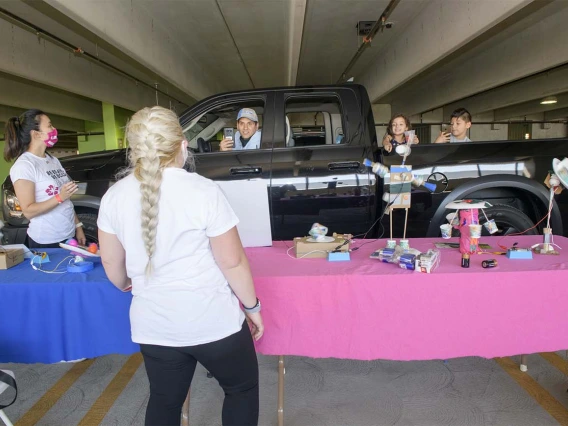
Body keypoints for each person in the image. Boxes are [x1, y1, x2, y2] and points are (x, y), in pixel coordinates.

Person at [97, 106, 264, 426]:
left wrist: (124, 284)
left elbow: (111, 263)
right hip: (213, 323)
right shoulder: (204, 190)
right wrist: (252, 306)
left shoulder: (114, 197)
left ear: (135, 150)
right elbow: (232, 261)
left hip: (155, 326)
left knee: (164, 400)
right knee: (241, 389)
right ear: (182, 145)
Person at [3, 109, 86, 248]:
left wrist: (78, 226)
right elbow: (28, 211)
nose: (54, 129)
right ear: (36, 134)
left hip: (68, 235)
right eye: (49, 126)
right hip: (46, 241)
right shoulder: (24, 165)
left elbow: (67, 200)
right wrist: (60, 197)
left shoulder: (53, 160)